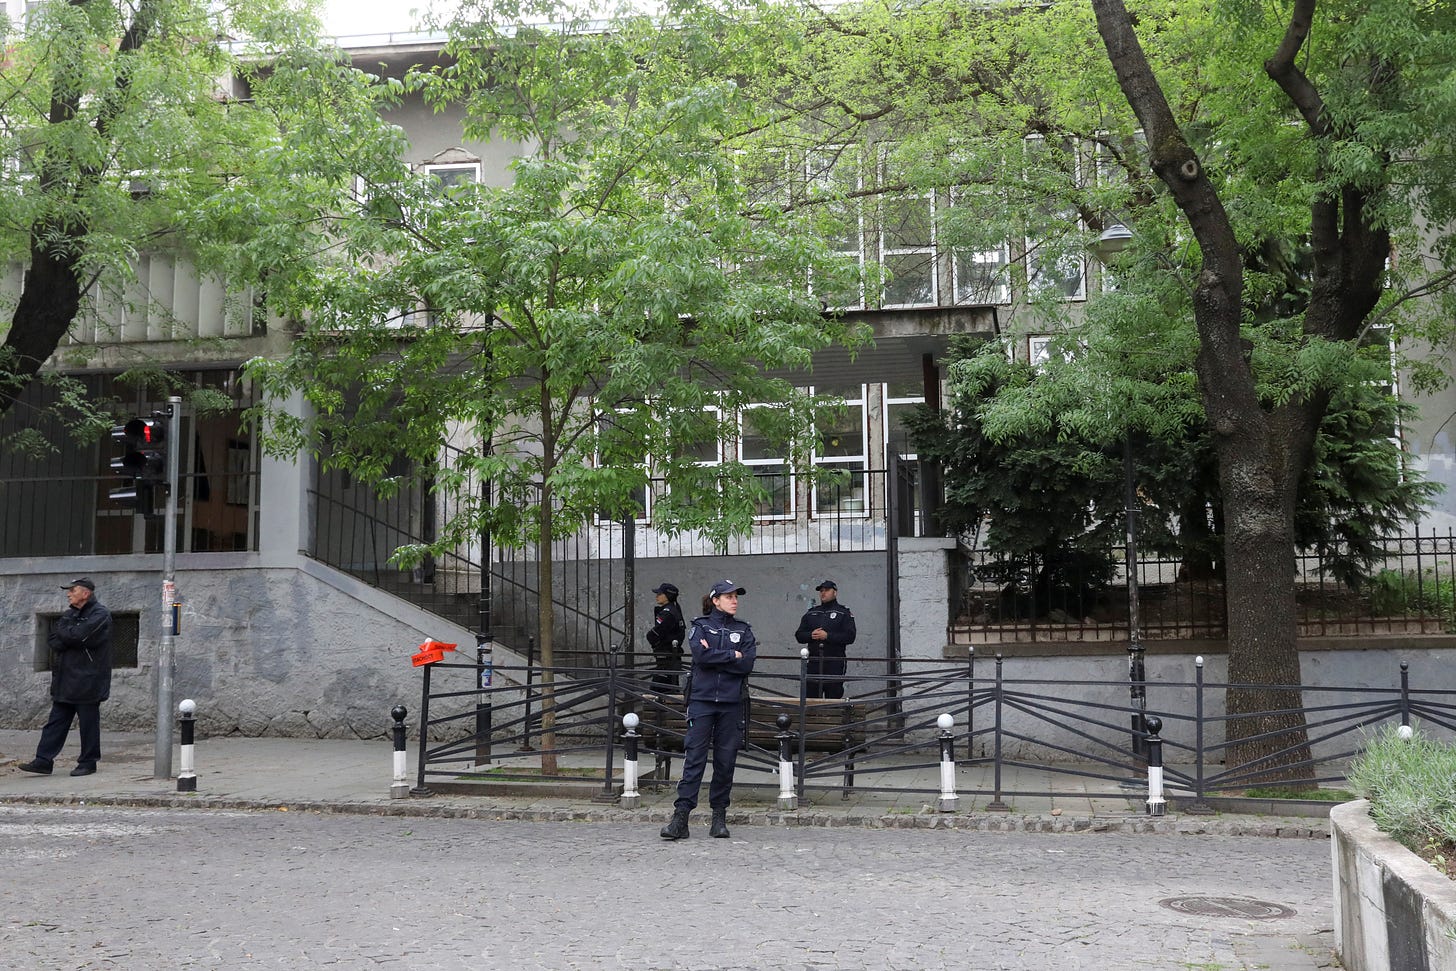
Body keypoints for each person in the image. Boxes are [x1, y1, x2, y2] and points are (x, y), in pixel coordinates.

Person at [660, 579, 757, 841]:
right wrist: (731, 656)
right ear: (715, 600)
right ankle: (681, 818)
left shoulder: (744, 630)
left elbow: (746, 664)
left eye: (736, 596)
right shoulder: (700, 627)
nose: (734, 600)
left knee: (726, 762)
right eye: (729, 596)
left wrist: (721, 656)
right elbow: (701, 658)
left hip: (731, 704)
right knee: (694, 760)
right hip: (702, 702)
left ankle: (719, 816)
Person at [20, 578, 114, 777]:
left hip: (89, 679)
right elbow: (54, 639)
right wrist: (69, 635)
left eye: (72, 590)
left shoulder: (100, 614)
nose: (68, 594)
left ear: (86, 593)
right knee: (55, 722)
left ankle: (88, 762)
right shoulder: (70, 613)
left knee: (88, 724)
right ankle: (43, 760)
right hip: (64, 678)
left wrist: (69, 635)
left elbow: (81, 637)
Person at [794, 579, 857, 700]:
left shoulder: (843, 613)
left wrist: (827, 636)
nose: (823, 593)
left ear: (835, 592)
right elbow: (799, 635)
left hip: (834, 662)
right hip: (814, 662)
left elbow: (850, 636)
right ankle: (812, 718)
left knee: (833, 695)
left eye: (827, 590)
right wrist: (811, 635)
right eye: (821, 591)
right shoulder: (812, 613)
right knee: (811, 696)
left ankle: (831, 718)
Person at [645, 582, 686, 691]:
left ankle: (660, 707)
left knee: (659, 690)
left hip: (666, 656)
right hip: (671, 655)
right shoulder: (675, 610)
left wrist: (651, 639)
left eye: (659, 593)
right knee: (671, 687)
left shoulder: (668, 613)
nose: (656, 596)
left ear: (668, 596)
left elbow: (656, 634)